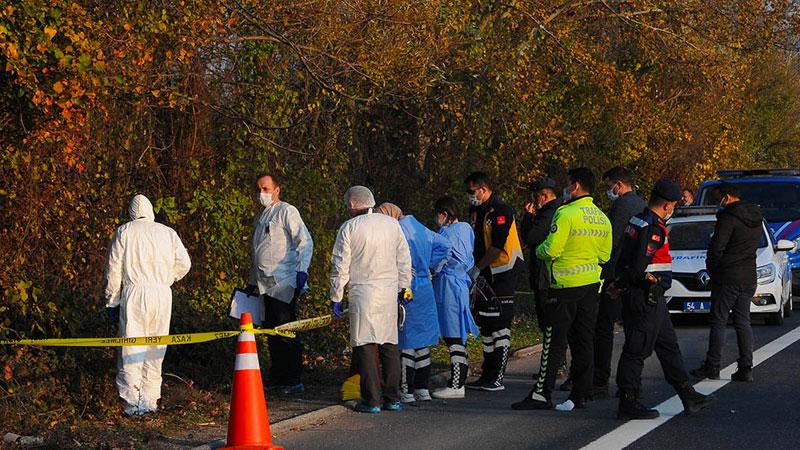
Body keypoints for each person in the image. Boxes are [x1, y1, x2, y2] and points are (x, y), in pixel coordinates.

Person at [611, 179, 714, 420]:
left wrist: (618, 283)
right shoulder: (653, 227)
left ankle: (688, 394)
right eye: (674, 206)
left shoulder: (637, 219)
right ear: (667, 205)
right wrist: (630, 283)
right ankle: (628, 401)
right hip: (644, 297)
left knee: (669, 346)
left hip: (651, 299)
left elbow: (624, 255)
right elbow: (638, 265)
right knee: (637, 350)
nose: (674, 210)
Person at [512, 168, 612, 412]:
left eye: (568, 184)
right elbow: (605, 255)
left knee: (554, 341)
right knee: (583, 341)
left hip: (564, 287)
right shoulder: (601, 217)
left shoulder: (565, 213)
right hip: (591, 286)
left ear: (576, 186)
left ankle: (541, 394)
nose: (566, 189)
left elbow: (551, 249)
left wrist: (538, 251)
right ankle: (581, 394)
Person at [105, 194, 191, 416]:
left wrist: (112, 300)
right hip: (162, 295)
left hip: (135, 294)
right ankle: (150, 403)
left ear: (131, 212)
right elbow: (185, 263)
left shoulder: (125, 231)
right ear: (152, 210)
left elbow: (113, 270)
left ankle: (132, 404)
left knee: (132, 349)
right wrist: (167, 279)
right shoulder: (167, 233)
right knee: (156, 348)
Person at [330, 186, 413, 413]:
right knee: (389, 345)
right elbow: (404, 259)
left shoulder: (349, 227)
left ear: (352, 205)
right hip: (388, 293)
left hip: (363, 293)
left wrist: (336, 296)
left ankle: (372, 399)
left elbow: (340, 265)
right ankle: (393, 397)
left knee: (365, 346)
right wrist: (404, 287)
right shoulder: (391, 224)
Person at [245, 174, 313, 395]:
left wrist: (302, 270)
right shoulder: (261, 218)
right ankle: (278, 377)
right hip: (265, 283)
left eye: (266, 188)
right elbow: (258, 253)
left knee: (286, 330)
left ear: (277, 190)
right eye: (259, 189)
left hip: (283, 281)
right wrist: (252, 283)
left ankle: (293, 379)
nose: (261, 193)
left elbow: (304, 241)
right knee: (272, 331)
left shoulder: (286, 211)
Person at [376, 203, 451, 403]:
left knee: (407, 342)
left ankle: (407, 390)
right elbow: (445, 245)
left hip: (406, 287)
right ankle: (422, 388)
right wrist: (430, 265)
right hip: (425, 287)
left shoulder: (397, 230)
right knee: (424, 343)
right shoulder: (420, 228)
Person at [691, 183, 763, 382]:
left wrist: (713, 269)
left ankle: (712, 366)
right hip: (748, 275)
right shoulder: (756, 218)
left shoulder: (728, 218)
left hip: (728, 276)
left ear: (728, 197)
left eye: (717, 198)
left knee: (719, 320)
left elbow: (716, 248)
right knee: (743, 321)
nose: (717, 203)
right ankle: (746, 367)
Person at [463, 171, 524, 392]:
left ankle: (496, 377)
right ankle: (487, 374)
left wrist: (477, 268)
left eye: (472, 191)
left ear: (483, 189)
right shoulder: (478, 211)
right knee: (487, 325)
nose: (470, 196)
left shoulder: (501, 210)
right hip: (486, 273)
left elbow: (497, 244)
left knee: (500, 325)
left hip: (504, 272)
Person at [593, 167, 647, 398]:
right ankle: (630, 381)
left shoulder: (622, 205)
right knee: (633, 329)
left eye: (609, 186)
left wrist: (600, 264)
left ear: (619, 184)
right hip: (634, 274)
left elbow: (611, 240)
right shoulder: (642, 204)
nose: (609, 191)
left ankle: (600, 380)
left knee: (603, 328)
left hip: (614, 273)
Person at [430, 197, 481, 399]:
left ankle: (457, 384)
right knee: (458, 332)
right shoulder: (466, 229)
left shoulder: (446, 234)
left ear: (444, 213)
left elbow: (439, 259)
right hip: (460, 285)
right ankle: (457, 380)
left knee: (453, 335)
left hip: (449, 286)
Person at [519, 177, 560, 330]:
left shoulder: (549, 213)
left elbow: (531, 237)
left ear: (543, 196)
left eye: (535, 197)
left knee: (547, 320)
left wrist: (528, 217)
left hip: (544, 274)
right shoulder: (560, 209)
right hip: (552, 273)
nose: (535, 202)